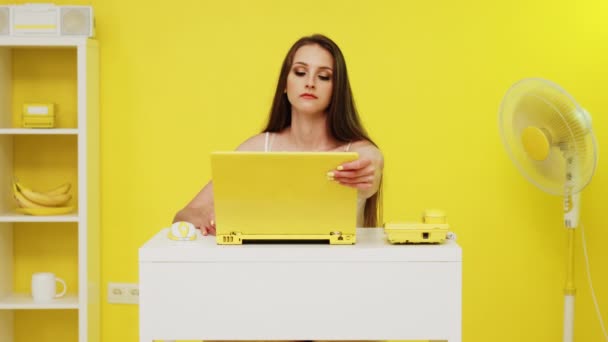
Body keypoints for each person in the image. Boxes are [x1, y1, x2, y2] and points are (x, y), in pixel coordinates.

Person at [173, 34, 383, 234]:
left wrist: (366, 178)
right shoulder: (256, 149)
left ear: (336, 89)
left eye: (324, 76)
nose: (310, 82)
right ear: (285, 82)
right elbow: (184, 215)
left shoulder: (358, 152)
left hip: (340, 269)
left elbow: (372, 166)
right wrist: (203, 217)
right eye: (300, 72)